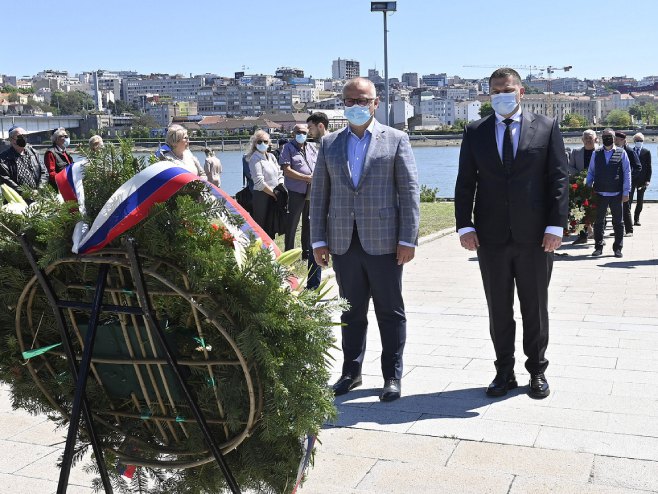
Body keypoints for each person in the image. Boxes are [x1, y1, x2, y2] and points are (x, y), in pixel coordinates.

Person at [455, 68, 569, 400]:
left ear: (520, 92)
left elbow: (558, 181)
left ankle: (537, 370)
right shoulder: (475, 131)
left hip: (536, 237)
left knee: (534, 306)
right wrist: (464, 225)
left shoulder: (546, 128)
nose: (501, 95)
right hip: (489, 238)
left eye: (506, 89)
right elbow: (465, 183)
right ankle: (504, 371)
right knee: (499, 308)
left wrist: (555, 226)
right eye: (495, 91)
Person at [310, 77, 420, 402]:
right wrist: (317, 241)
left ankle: (391, 377)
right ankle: (351, 372)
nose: (356, 106)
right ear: (342, 104)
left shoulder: (397, 139)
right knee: (350, 312)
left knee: (390, 311)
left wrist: (408, 239)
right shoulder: (329, 143)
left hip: (385, 242)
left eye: (363, 101)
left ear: (376, 102)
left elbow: (410, 192)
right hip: (343, 242)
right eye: (350, 101)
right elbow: (319, 196)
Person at [587, 128, 631, 258]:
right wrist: (588, 189)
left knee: (618, 222)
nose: (607, 138)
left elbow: (627, 173)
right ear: (601, 138)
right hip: (600, 193)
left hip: (616, 193)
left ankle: (618, 248)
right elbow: (591, 172)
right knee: (599, 222)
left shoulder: (622, 153)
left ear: (614, 138)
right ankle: (598, 247)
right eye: (605, 136)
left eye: (610, 136)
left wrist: (626, 192)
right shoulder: (596, 153)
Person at [279, 123, 317, 259]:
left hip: (311, 190)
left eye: (304, 133)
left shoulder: (312, 147)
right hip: (295, 191)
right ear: (293, 134)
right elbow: (287, 170)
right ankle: (289, 253)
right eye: (298, 132)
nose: (302, 135)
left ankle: (306, 253)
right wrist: (306, 177)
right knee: (293, 223)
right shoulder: (287, 148)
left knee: (309, 222)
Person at [304, 112, 330, 290]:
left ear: (321, 126)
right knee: (316, 243)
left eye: (311, 128)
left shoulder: (334, 144)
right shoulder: (316, 146)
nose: (309, 132)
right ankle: (313, 285)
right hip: (319, 200)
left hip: (333, 202)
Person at [248, 129, 285, 238]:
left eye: (265, 141)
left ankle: (272, 251)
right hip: (262, 196)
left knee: (272, 225)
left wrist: (280, 187)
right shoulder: (254, 159)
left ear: (269, 143)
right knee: (261, 227)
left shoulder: (272, 157)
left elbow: (280, 173)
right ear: (255, 144)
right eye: (259, 142)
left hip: (275, 195)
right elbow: (259, 182)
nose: (262, 144)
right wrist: (274, 193)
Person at [0, 126, 48, 198]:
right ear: (11, 139)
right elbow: (5, 179)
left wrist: (40, 189)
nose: (23, 138)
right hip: (18, 199)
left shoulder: (34, 153)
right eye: (20, 136)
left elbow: (44, 172)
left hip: (38, 196)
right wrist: (25, 193)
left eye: (25, 136)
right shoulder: (3, 158)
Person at [569, 129, 598, 245]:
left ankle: (598, 236)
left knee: (597, 211)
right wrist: (581, 176)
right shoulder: (576, 152)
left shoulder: (600, 152)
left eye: (590, 138)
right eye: (585, 138)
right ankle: (582, 236)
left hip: (596, 186)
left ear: (595, 139)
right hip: (579, 186)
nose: (588, 140)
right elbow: (569, 167)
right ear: (582, 140)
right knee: (578, 211)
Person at [614, 131, 640, 237]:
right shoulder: (613, 150)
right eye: (614, 139)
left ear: (624, 141)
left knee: (626, 206)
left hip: (626, 184)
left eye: (617, 140)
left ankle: (629, 230)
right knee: (615, 207)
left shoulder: (629, 151)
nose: (615, 141)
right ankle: (617, 230)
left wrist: (629, 179)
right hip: (615, 183)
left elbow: (638, 167)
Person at [630, 132, 651, 226]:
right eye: (638, 140)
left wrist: (648, 180)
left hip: (642, 180)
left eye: (641, 140)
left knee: (640, 200)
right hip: (631, 179)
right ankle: (627, 219)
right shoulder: (630, 151)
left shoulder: (646, 152)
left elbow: (649, 167)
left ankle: (636, 219)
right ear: (634, 141)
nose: (639, 142)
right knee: (628, 200)